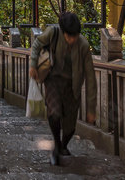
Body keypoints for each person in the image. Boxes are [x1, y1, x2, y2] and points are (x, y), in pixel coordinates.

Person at [28, 11, 97, 166]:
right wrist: (33, 64)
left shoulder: (83, 46)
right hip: (53, 80)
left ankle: (63, 145)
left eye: (75, 36)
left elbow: (91, 77)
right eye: (69, 36)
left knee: (70, 126)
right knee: (54, 113)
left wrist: (92, 109)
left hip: (72, 86)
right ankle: (57, 147)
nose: (72, 39)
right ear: (64, 32)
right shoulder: (53, 32)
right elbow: (38, 43)